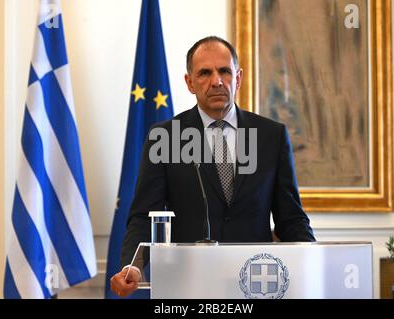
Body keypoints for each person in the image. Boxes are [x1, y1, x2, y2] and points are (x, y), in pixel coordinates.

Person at [110, 36, 315, 297]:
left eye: (224, 71)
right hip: (188, 287)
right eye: (205, 73)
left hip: (256, 283)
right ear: (190, 83)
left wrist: (316, 262)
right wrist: (134, 266)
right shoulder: (166, 137)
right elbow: (144, 216)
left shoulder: (271, 136)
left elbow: (291, 218)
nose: (216, 81)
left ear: (238, 78)